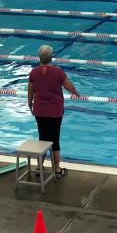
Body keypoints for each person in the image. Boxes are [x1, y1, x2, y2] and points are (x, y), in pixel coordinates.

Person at [27, 45, 80, 178]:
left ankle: (39, 167)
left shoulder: (33, 72)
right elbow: (68, 86)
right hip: (55, 111)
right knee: (54, 140)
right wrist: (76, 93)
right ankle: (57, 170)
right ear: (51, 57)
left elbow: (30, 91)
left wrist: (30, 104)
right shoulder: (58, 72)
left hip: (39, 111)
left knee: (42, 139)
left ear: (39, 57)